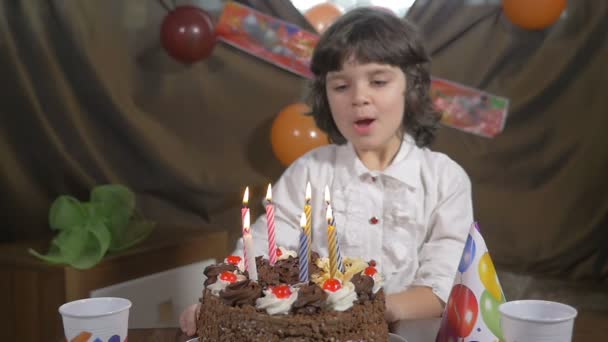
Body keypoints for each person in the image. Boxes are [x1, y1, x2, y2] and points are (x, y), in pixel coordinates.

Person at [180, 7, 473, 337]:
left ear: (413, 87)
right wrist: (225, 300)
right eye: (341, 86)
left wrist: (372, 311)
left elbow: (445, 284)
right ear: (325, 96)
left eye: (378, 81)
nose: (360, 97)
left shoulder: (446, 179)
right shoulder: (310, 172)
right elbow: (260, 248)